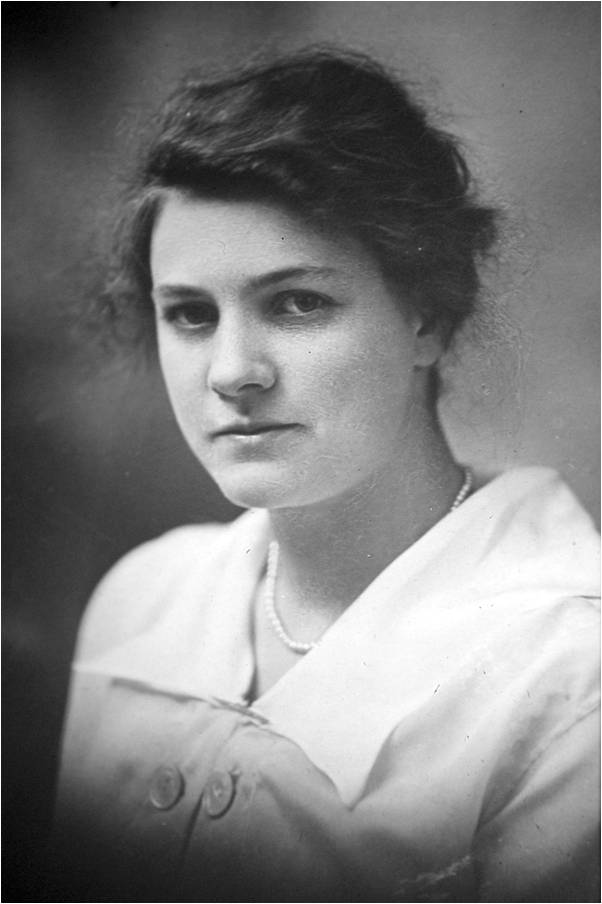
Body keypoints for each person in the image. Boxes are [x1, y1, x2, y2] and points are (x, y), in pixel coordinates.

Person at [51, 49, 599, 902]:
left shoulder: (568, 674)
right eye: (190, 314)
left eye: (297, 303)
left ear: (426, 315)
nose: (233, 372)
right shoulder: (144, 601)